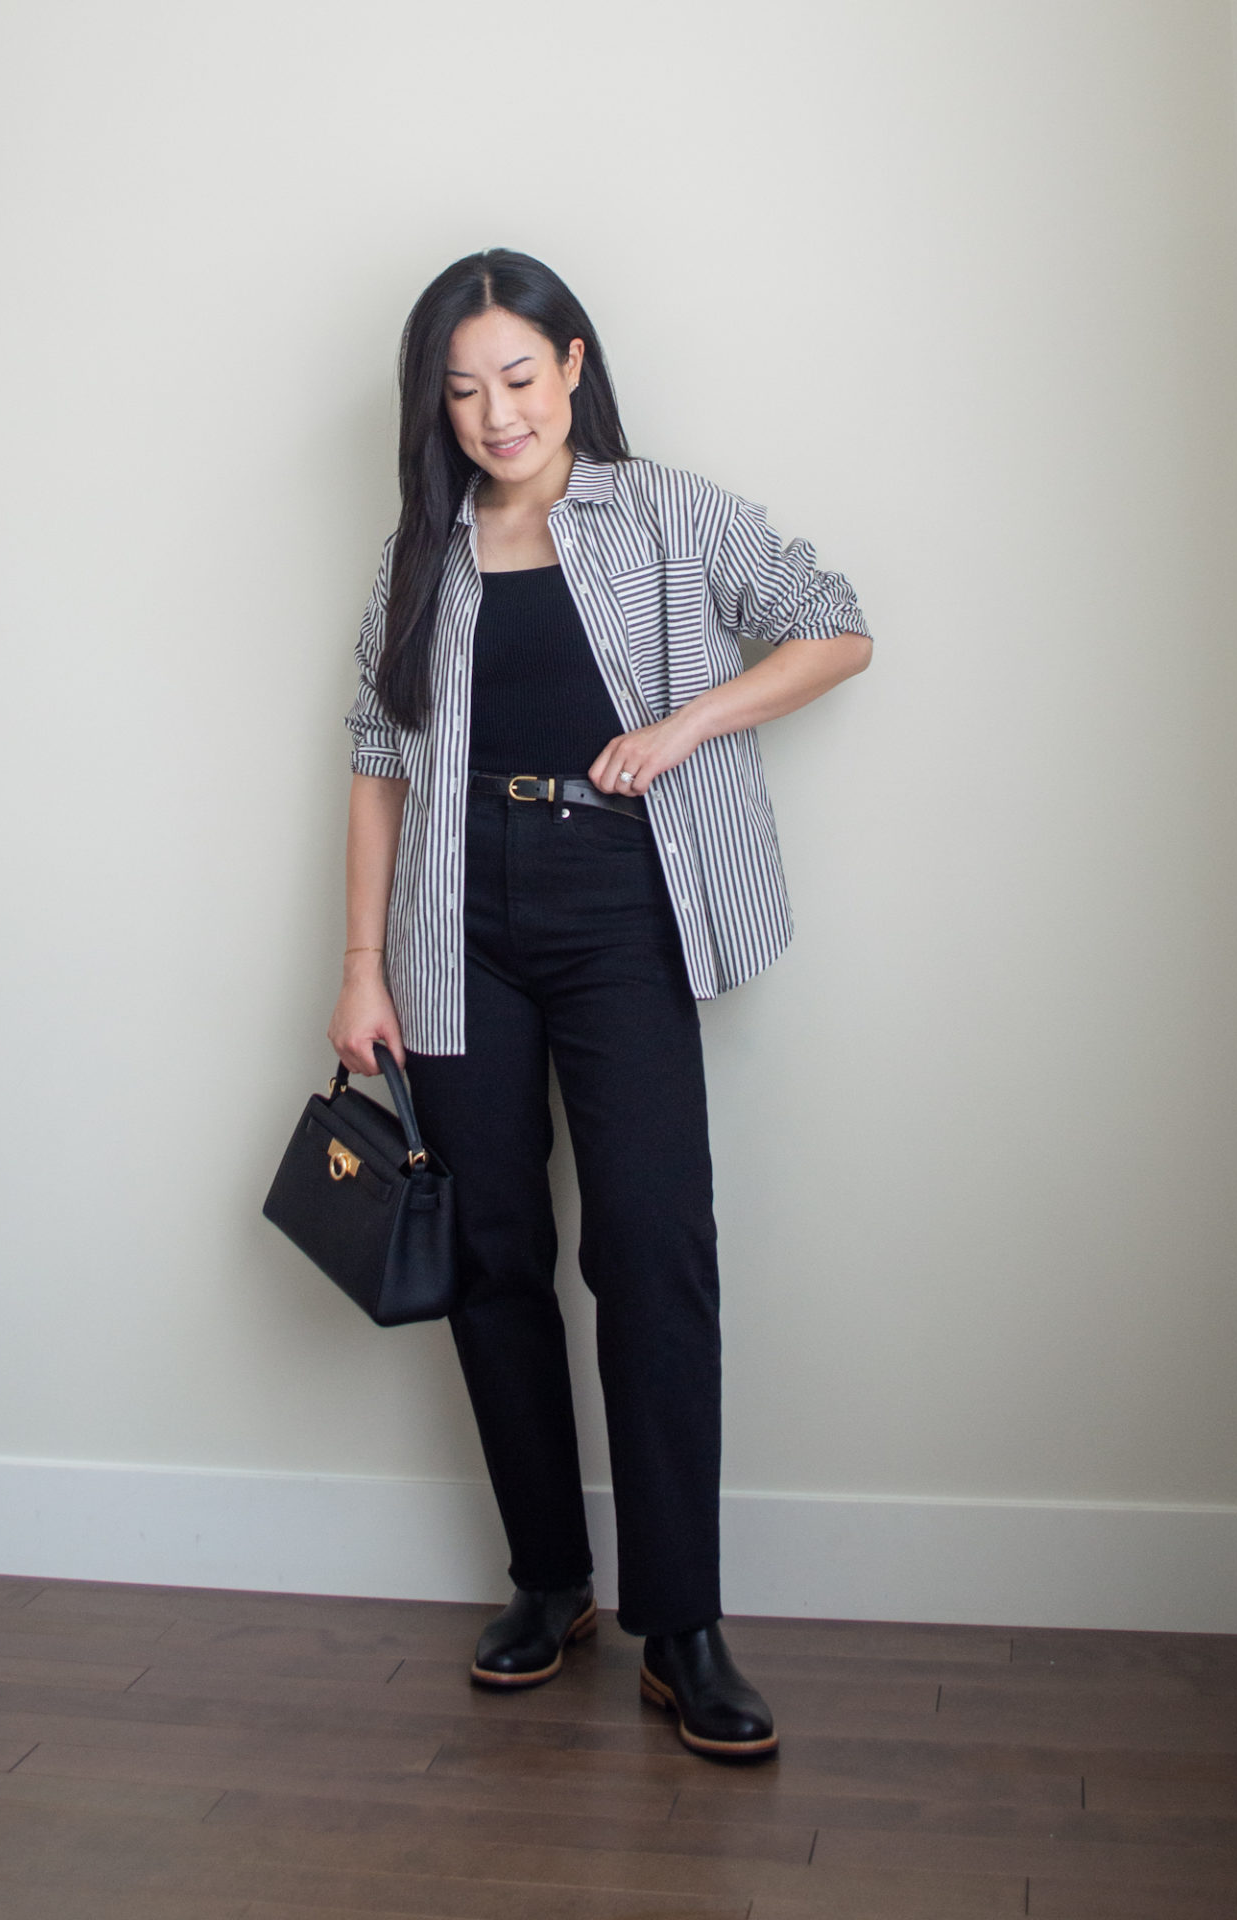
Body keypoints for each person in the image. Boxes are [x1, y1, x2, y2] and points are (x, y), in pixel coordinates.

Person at [328, 247, 872, 1761]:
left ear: (573, 363)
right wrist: (361, 964)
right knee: (495, 1250)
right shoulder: (413, 554)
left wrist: (690, 724)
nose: (497, 414)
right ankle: (550, 1580)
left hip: (623, 897)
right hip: (454, 917)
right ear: (432, 407)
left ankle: (680, 1624)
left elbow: (836, 621)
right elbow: (377, 755)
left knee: (650, 1244)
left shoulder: (669, 510)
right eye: (463, 390)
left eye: (519, 375)